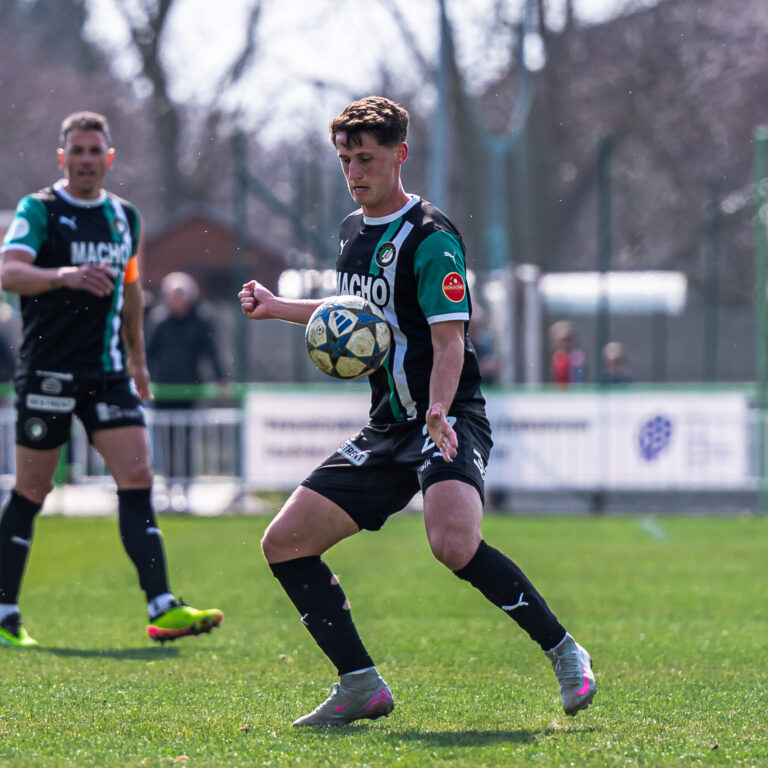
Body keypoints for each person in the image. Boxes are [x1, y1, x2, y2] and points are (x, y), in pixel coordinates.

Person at [239, 96, 596, 726]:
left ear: (399, 154)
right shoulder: (351, 232)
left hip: (448, 416)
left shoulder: (431, 237)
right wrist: (278, 307)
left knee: (453, 544)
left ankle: (565, 651)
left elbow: (449, 340)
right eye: (345, 159)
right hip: (388, 425)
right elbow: (351, 313)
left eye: (366, 158)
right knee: (284, 543)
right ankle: (359, 685)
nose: (354, 172)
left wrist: (436, 410)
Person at [0, 111, 223, 648]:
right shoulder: (40, 209)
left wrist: (138, 359)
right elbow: (8, 271)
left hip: (107, 372)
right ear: (63, 158)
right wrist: (65, 275)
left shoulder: (124, 217)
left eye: (94, 151)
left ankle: (162, 606)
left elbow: (131, 290)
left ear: (109, 158)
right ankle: (4, 610)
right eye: (76, 151)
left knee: (138, 476)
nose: (85, 160)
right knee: (33, 489)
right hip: (49, 371)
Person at [146, 271, 227, 512]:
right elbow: (148, 354)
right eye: (173, 295)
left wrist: (220, 377)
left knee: (186, 442)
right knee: (165, 442)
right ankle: (168, 486)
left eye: (181, 294)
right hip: (163, 391)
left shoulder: (200, 321)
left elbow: (211, 351)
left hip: (189, 391)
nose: (177, 300)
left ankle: (186, 488)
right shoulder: (159, 321)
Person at [549, 320, 586, 386]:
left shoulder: (579, 356)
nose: (566, 343)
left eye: (569, 339)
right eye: (564, 340)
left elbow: (583, 376)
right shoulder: (557, 357)